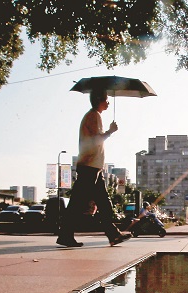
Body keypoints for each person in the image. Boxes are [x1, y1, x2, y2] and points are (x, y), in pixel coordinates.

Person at [56, 88, 132, 247]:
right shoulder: (93, 116)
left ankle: (113, 235)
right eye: (106, 99)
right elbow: (96, 140)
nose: (108, 102)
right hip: (89, 167)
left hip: (94, 167)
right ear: (99, 100)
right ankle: (65, 235)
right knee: (78, 203)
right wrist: (110, 132)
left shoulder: (93, 116)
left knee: (104, 204)